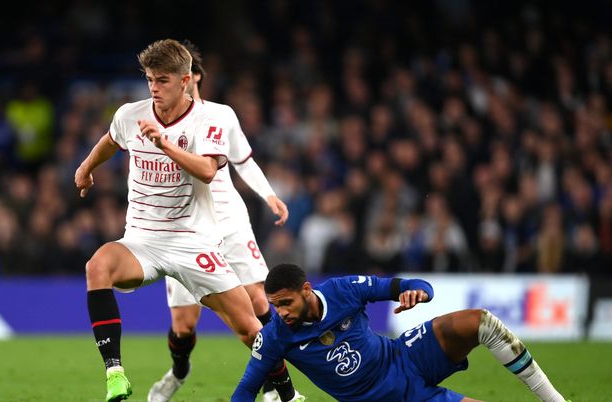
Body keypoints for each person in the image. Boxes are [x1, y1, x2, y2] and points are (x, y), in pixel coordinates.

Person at [75, 39, 300, 402]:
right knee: (97, 267)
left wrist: (165, 145)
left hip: (193, 240)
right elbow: (111, 140)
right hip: (142, 240)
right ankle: (115, 373)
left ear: (185, 80)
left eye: (162, 80)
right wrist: (85, 168)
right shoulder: (130, 114)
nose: (153, 88)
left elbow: (209, 170)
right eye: (149, 79)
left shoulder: (212, 119)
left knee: (249, 325)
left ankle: (288, 395)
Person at [147, 41, 291, 402]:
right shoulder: (155, 120)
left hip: (227, 218)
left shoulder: (221, 116)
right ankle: (179, 371)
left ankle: (276, 384)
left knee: (258, 300)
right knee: (184, 326)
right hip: (185, 226)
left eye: (188, 73)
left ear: (193, 77)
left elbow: (242, 160)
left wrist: (268, 194)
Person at [233, 263, 571, 402]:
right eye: (275, 306)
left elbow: (412, 285)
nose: (281, 313)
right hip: (387, 398)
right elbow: (245, 390)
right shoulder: (275, 336)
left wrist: (418, 292)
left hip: (404, 356)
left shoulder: (343, 290)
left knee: (477, 320)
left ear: (306, 290)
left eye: (287, 303)